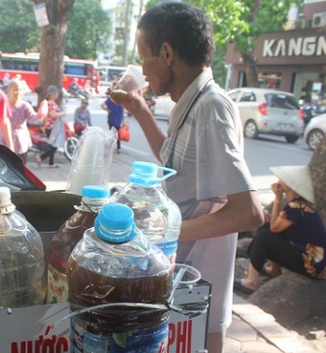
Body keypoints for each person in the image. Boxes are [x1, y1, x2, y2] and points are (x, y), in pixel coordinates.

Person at [114, 3, 264, 353]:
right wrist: (137, 108)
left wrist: (165, 232)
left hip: (201, 280)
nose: (142, 70)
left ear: (166, 53)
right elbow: (174, 162)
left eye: (143, 56)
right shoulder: (192, 103)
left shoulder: (211, 107)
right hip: (183, 274)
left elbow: (249, 212)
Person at [235, 166, 326, 294]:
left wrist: (278, 197)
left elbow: (274, 228)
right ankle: (274, 270)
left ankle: (251, 282)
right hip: (311, 260)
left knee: (265, 235)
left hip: (311, 263)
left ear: (291, 185)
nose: (279, 181)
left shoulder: (296, 206)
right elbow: (276, 225)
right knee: (266, 228)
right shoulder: (299, 204)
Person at [7, 79, 39, 163]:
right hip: (4, 141)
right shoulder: (3, 103)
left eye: (20, 90)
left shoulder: (25, 106)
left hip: (20, 141)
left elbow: (34, 118)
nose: (18, 92)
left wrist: (42, 114)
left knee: (20, 167)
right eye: (15, 89)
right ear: (9, 90)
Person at [36, 85, 66, 168]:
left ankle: (51, 163)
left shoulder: (50, 102)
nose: (57, 94)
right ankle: (41, 157)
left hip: (50, 126)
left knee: (52, 145)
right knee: (54, 146)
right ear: (52, 94)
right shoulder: (51, 103)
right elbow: (53, 114)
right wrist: (63, 113)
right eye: (56, 92)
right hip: (52, 127)